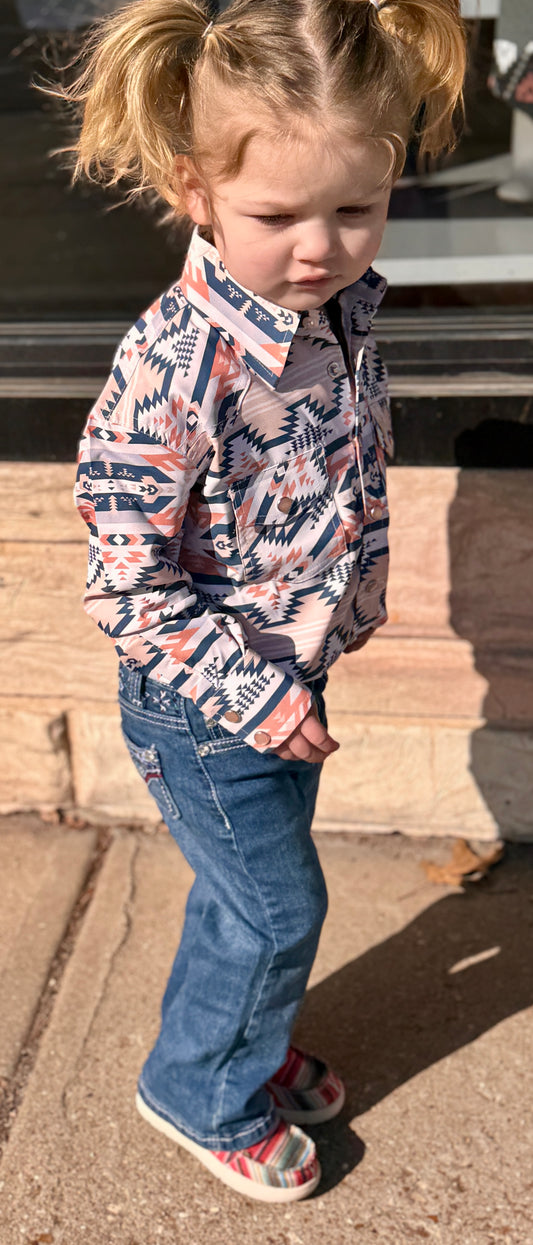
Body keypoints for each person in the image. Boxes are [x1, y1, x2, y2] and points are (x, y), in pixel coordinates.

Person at [59, 0, 466, 1203]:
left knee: (247, 895)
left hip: (287, 676)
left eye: (354, 210)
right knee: (278, 908)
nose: (319, 248)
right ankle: (199, 1089)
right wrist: (253, 695)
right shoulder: (176, 366)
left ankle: (241, 1033)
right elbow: (126, 583)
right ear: (194, 189)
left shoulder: (329, 317)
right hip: (206, 704)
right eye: (276, 217)